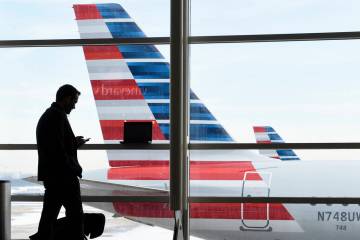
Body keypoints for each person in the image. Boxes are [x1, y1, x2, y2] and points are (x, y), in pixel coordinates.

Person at [34, 84, 90, 240]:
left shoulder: (49, 115)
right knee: (76, 217)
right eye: (74, 102)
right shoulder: (57, 116)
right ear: (66, 98)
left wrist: (72, 143)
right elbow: (58, 151)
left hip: (53, 177)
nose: (74, 106)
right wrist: (73, 169)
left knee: (48, 219)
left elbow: (55, 145)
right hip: (63, 178)